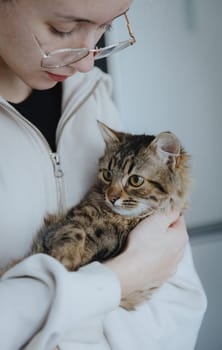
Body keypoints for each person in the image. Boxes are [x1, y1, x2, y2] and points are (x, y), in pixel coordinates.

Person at [0, 1, 207, 349]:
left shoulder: (92, 91)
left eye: (106, 28)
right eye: (63, 29)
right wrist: (118, 280)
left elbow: (181, 297)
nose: (87, 62)